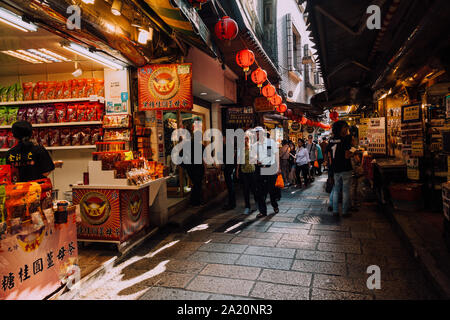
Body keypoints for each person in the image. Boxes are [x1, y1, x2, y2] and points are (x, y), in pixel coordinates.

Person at [328, 120, 355, 217]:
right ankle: (344, 211)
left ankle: (335, 211)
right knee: (345, 190)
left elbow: (328, 154)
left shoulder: (331, 140)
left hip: (335, 168)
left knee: (336, 189)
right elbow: (347, 155)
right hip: (345, 168)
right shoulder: (346, 139)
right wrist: (354, 151)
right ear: (341, 128)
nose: (347, 128)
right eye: (345, 127)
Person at [251, 127, 279, 218]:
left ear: (262, 133)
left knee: (271, 190)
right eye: (256, 133)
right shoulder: (255, 145)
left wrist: (278, 167)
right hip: (259, 169)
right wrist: (256, 161)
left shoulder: (271, 142)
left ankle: (274, 205)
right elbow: (252, 158)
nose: (257, 135)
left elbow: (276, 155)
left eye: (258, 133)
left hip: (270, 168)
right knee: (259, 192)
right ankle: (263, 211)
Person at [236, 135, 257, 214]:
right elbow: (238, 161)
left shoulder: (252, 148)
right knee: (245, 190)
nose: (245, 141)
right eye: (244, 139)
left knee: (254, 189)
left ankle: (256, 203)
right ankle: (247, 207)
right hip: (244, 171)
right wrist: (237, 171)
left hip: (252, 170)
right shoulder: (240, 149)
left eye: (246, 139)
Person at [221, 135, 236, 210]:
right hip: (230, 167)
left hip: (228, 168)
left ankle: (231, 204)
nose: (222, 139)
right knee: (230, 186)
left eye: (222, 138)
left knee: (230, 186)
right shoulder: (229, 146)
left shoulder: (226, 146)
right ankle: (232, 203)